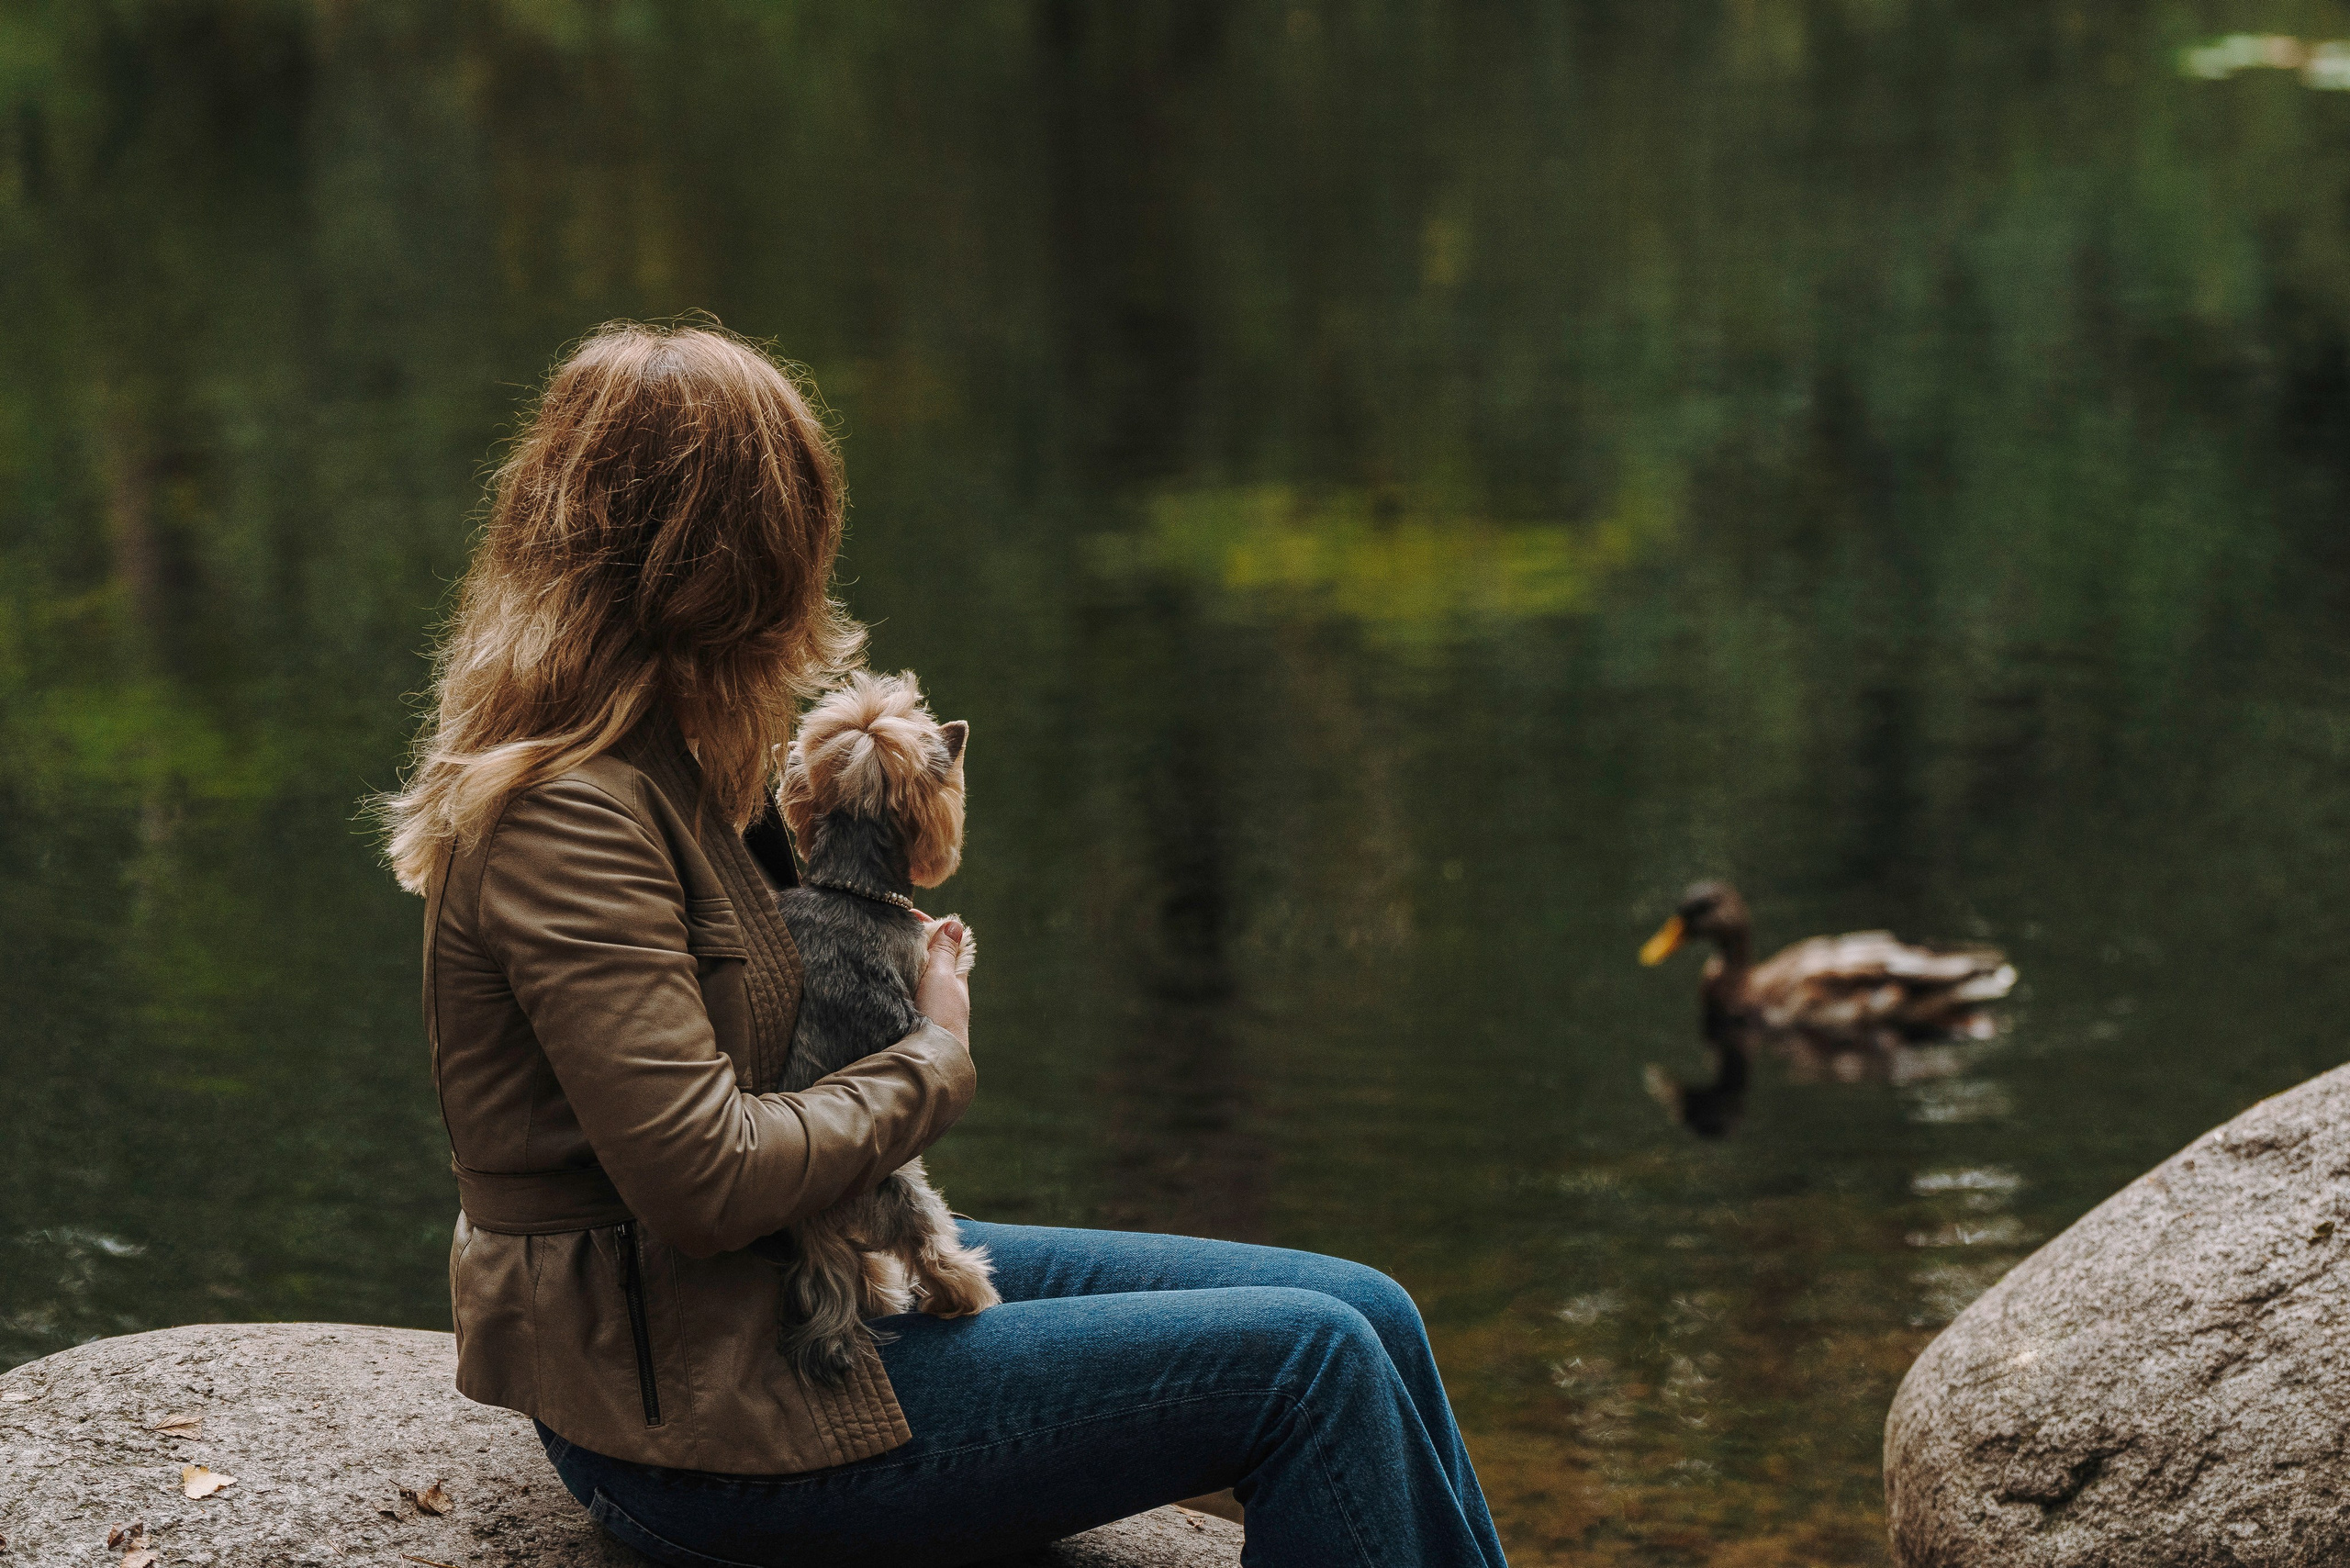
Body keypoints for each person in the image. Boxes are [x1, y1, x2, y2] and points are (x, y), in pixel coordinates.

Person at [380, 321, 1509, 1568]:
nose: (811, 583)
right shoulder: (565, 818)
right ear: (721, 564)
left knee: (1371, 1311)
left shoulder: (684, 765)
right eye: (794, 538)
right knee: (1313, 1368)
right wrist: (931, 1053)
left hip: (794, 1287)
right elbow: (699, 1182)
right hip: (700, 1412)